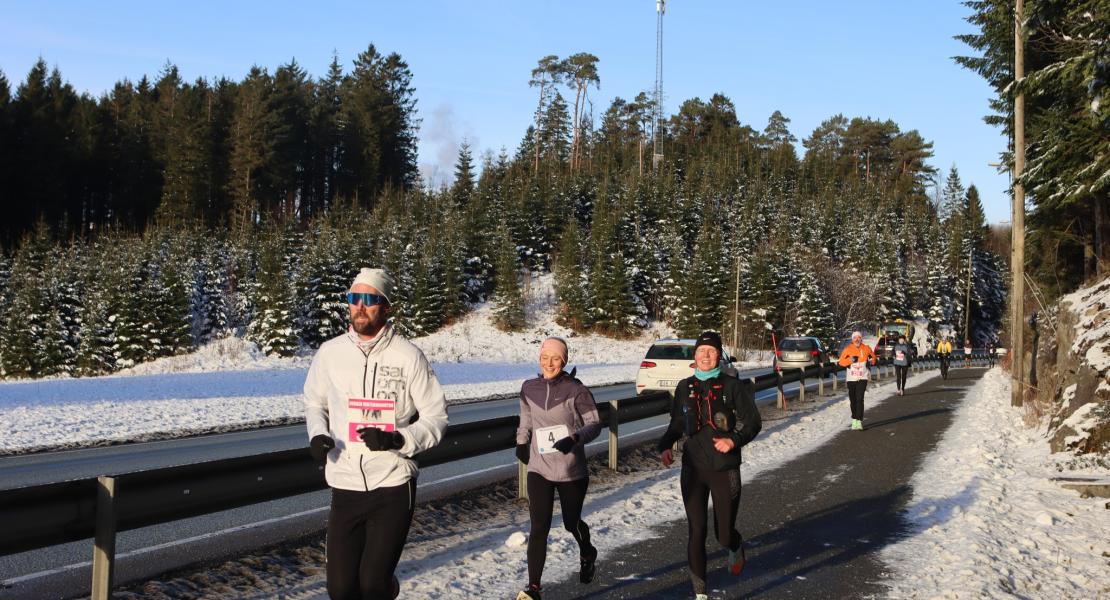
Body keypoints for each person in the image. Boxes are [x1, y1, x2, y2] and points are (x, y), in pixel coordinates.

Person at [304, 268, 449, 600]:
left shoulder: (408, 355)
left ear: (386, 307)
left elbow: (436, 418)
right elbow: (314, 402)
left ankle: (385, 588)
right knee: (341, 590)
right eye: (355, 299)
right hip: (345, 484)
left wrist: (398, 439)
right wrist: (316, 434)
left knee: (371, 584)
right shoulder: (330, 352)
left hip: (393, 484)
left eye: (369, 300)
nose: (360, 307)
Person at [656, 331, 762, 600]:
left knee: (722, 535)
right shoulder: (684, 387)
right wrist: (666, 445)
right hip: (693, 468)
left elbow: (753, 423)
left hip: (724, 468)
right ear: (694, 356)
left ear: (719, 356)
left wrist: (734, 441)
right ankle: (701, 593)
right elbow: (678, 424)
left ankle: (734, 545)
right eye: (701, 351)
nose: (705, 355)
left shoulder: (732, 386)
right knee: (696, 530)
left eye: (711, 351)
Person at [515, 337, 602, 600]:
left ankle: (587, 552)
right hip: (539, 468)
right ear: (539, 359)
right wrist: (521, 442)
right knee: (538, 526)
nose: (549, 363)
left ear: (563, 361)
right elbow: (526, 419)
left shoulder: (576, 390)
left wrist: (575, 438)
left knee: (570, 523)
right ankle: (534, 589)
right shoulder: (529, 387)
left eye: (555, 359)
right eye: (545, 358)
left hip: (571, 469)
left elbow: (594, 423)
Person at [838, 331, 876, 430]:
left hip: (862, 377)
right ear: (852, 339)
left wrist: (872, 361)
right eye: (855, 337)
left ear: (861, 339)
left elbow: (874, 357)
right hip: (851, 378)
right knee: (853, 400)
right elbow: (841, 362)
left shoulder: (866, 348)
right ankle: (854, 418)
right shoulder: (847, 349)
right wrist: (850, 360)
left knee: (860, 399)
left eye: (859, 337)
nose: (857, 339)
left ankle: (859, 421)